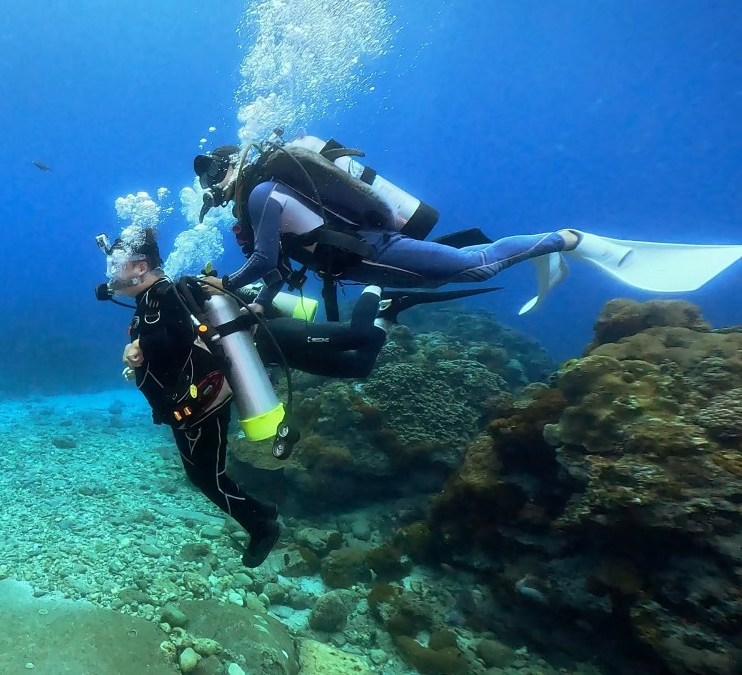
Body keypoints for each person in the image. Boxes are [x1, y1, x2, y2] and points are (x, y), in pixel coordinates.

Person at [97, 227, 485, 566]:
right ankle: (387, 310)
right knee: (359, 366)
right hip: (197, 399)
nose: (111, 273)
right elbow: (163, 344)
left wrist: (145, 348)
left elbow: (183, 338)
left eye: (117, 264)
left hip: (253, 350)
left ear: (140, 267)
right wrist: (134, 349)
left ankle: (375, 288)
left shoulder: (174, 292)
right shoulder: (146, 303)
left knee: (358, 338)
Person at [192, 138, 742, 315]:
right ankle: (539, 251)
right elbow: (278, 270)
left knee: (474, 267)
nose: (219, 201)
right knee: (443, 275)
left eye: (214, 190)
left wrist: (225, 286)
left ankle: (570, 239)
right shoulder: (266, 193)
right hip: (366, 254)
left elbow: (265, 262)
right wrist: (258, 300)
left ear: (227, 175)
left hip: (372, 248)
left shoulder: (263, 192)